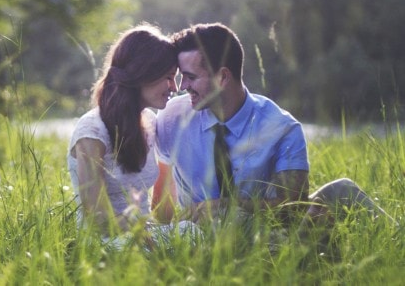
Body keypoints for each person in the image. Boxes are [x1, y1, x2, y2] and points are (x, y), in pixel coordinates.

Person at [152, 22, 393, 227]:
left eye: (191, 77)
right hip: (195, 236)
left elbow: (293, 208)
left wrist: (226, 207)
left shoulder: (282, 128)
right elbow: (161, 195)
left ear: (223, 77)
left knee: (342, 190)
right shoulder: (172, 117)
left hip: (260, 237)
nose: (182, 87)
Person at [67, 24, 198, 249]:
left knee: (195, 232)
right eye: (168, 77)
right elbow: (98, 218)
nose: (173, 87)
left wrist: (178, 222)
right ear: (143, 74)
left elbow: (160, 207)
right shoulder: (92, 132)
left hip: (143, 233)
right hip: (106, 239)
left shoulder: (150, 122)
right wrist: (144, 235)